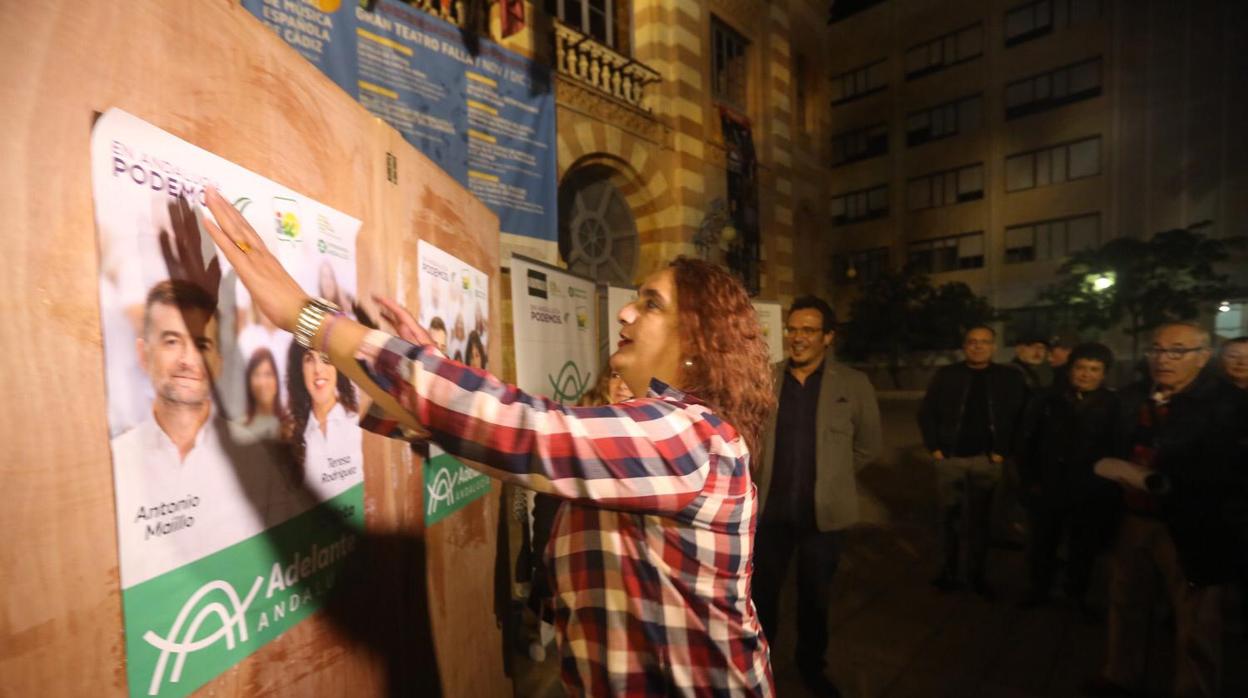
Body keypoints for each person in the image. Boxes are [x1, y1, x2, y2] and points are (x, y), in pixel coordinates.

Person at [198, 187, 777, 695]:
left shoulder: (692, 435)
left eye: (651, 304)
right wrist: (430, 371)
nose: (625, 312)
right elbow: (495, 435)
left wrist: (307, 317)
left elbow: (525, 433)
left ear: (698, 339)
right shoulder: (658, 428)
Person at [1087, 323, 1248, 698]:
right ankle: (1120, 675)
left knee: (1196, 619)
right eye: (1157, 350)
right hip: (1132, 518)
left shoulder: (1228, 404)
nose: (1164, 359)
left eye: (1178, 351)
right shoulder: (1132, 397)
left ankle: (1194, 689)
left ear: (1203, 357)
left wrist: (1168, 481)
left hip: (1193, 525)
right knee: (1126, 602)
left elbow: (1232, 469)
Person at [110, 279, 288, 587]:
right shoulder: (115, 463)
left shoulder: (258, 458)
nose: (188, 360)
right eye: (171, 341)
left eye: (202, 345)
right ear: (143, 354)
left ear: (218, 361)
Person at [752, 296, 882, 697]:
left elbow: (868, 446)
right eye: (792, 329)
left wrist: (833, 478)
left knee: (815, 598)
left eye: (808, 330)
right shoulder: (766, 379)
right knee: (761, 597)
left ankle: (811, 665)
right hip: (770, 515)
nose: (797, 338)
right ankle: (760, 666)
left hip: (822, 519)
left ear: (828, 337)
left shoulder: (853, 385)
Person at [919, 325, 1026, 599]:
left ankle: (976, 574)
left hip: (987, 461)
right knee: (948, 518)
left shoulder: (1008, 377)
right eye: (972, 341)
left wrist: (1003, 449)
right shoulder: (947, 375)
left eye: (984, 342)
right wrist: (935, 449)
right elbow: (927, 412)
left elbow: (1020, 416)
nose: (978, 346)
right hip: (950, 459)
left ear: (993, 346)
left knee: (981, 521)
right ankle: (948, 571)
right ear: (964, 346)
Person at [1017, 342, 1120, 614]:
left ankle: (1077, 595)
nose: (1086, 374)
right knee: (1043, 543)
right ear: (1070, 369)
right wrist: (1029, 481)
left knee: (1083, 547)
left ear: (1104, 374)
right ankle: (1039, 589)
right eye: (1081, 368)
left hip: (1089, 489)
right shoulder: (1047, 399)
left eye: (1094, 369)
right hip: (1048, 485)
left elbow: (1117, 448)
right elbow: (1027, 442)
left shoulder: (1112, 405)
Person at [286, 342, 363, 503]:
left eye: (325, 358)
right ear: (300, 370)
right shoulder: (295, 435)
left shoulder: (359, 421)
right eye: (309, 359)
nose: (318, 369)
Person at [236, 347, 288, 443]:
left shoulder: (289, 425)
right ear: (249, 382)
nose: (262, 382)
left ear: (276, 380)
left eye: (268, 374)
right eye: (256, 374)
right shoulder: (238, 428)